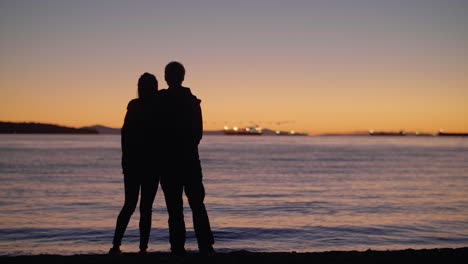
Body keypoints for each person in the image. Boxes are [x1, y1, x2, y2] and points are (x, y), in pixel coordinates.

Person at [158, 61, 215, 256]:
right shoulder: (192, 102)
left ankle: (178, 248)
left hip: (170, 163)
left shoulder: (161, 100)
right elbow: (197, 134)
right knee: (196, 205)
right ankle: (205, 247)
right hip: (189, 160)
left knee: (176, 209)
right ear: (182, 77)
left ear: (166, 77)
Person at [109, 72, 160, 256]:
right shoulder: (157, 106)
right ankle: (142, 248)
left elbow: (125, 136)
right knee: (145, 208)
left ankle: (116, 245)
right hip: (151, 165)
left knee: (129, 205)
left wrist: (125, 161)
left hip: (133, 164)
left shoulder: (134, 106)